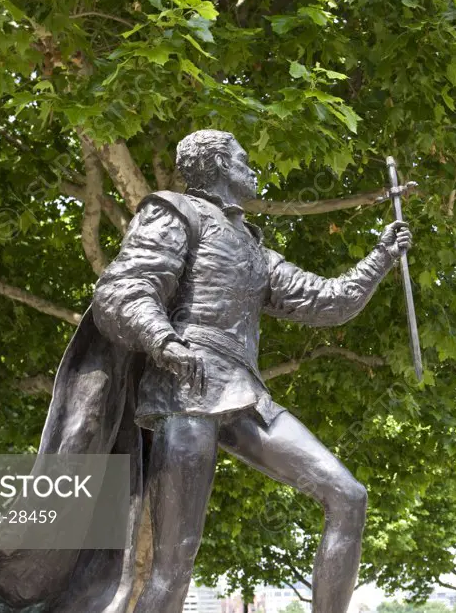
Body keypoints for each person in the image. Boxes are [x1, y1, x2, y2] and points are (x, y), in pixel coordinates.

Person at [91, 129, 412, 613]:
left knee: (348, 495)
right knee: (174, 567)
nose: (253, 168)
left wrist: (382, 256)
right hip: (186, 387)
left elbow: (327, 301)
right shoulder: (174, 211)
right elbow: (122, 291)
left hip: (243, 391)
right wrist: (164, 340)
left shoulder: (251, 246)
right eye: (244, 159)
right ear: (219, 164)